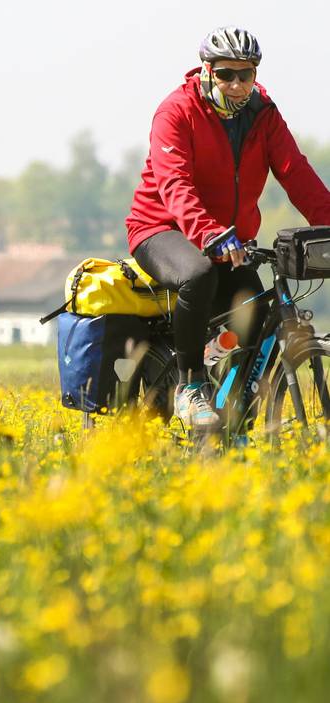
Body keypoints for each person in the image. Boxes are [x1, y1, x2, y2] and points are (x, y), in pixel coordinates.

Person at [126, 26, 330, 430]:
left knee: (255, 312)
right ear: (207, 70)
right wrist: (207, 232)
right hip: (161, 228)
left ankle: (230, 422)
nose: (236, 84)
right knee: (198, 274)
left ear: (255, 74)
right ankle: (189, 385)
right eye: (225, 74)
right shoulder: (177, 111)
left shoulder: (263, 114)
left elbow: (296, 173)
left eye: (245, 74)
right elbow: (174, 183)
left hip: (228, 240)